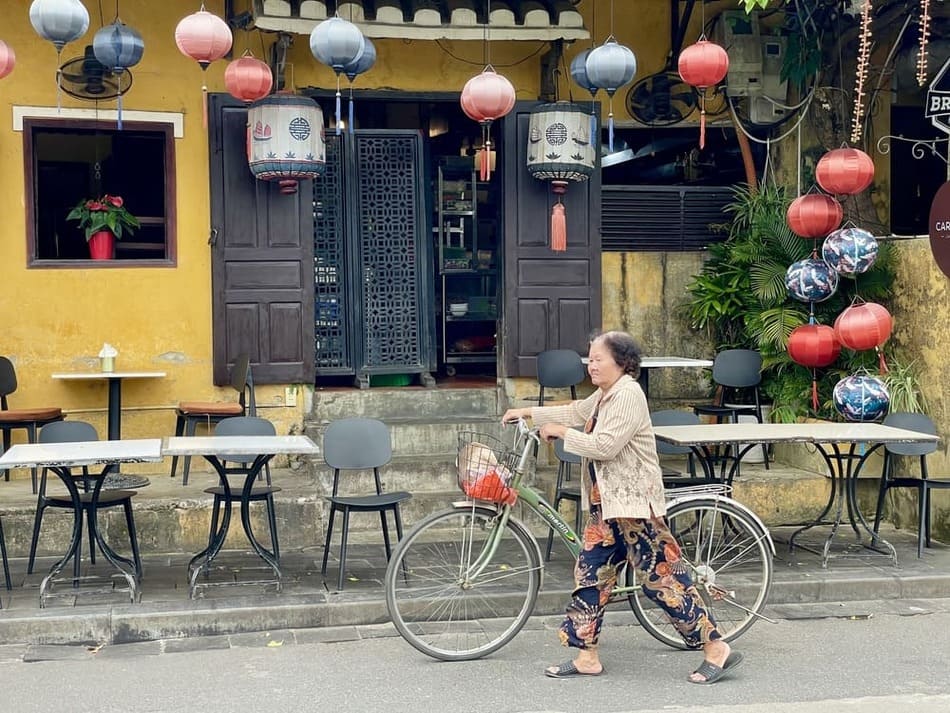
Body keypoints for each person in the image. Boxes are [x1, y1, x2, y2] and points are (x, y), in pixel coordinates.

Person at [501, 330, 743, 684]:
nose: (592, 365)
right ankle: (587, 657)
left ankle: (715, 647)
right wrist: (526, 412)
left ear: (621, 362)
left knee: (662, 580)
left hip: (633, 505)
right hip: (607, 508)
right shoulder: (604, 395)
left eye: (599, 359)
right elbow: (574, 410)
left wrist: (562, 433)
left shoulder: (629, 395)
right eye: (591, 358)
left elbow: (604, 446)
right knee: (590, 576)